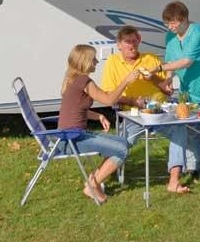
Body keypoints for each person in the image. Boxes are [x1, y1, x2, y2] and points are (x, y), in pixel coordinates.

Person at [101, 25, 192, 194]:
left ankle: (174, 181)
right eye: (127, 42)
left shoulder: (150, 58)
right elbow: (108, 95)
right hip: (133, 114)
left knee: (179, 128)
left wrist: (153, 78)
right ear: (119, 44)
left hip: (160, 111)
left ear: (139, 41)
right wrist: (132, 101)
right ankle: (98, 178)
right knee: (121, 143)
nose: (132, 45)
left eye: (134, 41)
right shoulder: (113, 62)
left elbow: (168, 90)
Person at [149, 1, 200, 173]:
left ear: (184, 18)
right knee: (191, 124)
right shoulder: (170, 36)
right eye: (167, 23)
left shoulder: (198, 31)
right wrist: (168, 79)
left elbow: (187, 61)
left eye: (173, 23)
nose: (170, 27)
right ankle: (194, 166)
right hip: (190, 85)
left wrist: (159, 68)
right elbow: (171, 59)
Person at [58, 44, 140, 204]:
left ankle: (93, 180)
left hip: (69, 135)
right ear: (84, 61)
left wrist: (99, 116)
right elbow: (109, 100)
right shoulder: (84, 81)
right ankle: (93, 185)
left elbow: (76, 109)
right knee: (122, 150)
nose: (96, 61)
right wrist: (126, 81)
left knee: (122, 142)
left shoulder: (72, 79)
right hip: (72, 139)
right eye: (93, 59)